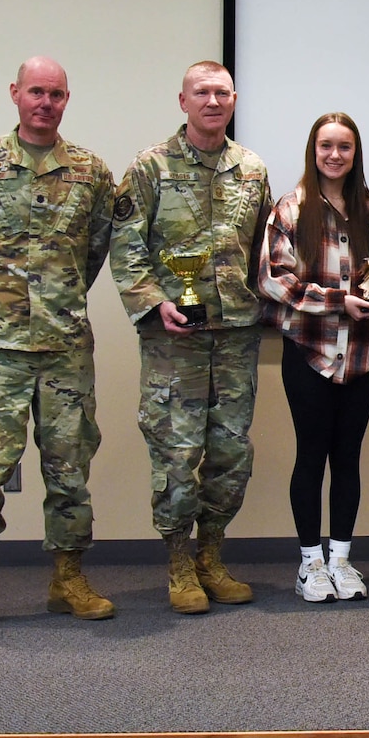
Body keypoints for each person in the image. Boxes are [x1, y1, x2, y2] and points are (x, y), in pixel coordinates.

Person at [0, 56, 117, 635]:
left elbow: (91, 255)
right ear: (15, 93)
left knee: (70, 468)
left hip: (64, 344)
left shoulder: (92, 172)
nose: (46, 102)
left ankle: (68, 579)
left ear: (68, 99)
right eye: (36, 91)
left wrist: (56, 303)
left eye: (57, 94)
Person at [112, 60, 271, 614]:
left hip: (234, 337)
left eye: (222, 93)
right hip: (173, 339)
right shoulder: (149, 168)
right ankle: (179, 561)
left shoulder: (252, 169)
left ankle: (212, 555)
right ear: (183, 101)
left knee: (231, 453)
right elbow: (126, 246)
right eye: (201, 92)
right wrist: (155, 302)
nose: (212, 101)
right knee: (177, 454)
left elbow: (265, 250)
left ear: (234, 100)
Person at [260, 113, 369, 603]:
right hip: (309, 353)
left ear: (356, 154)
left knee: (349, 458)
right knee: (311, 456)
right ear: (312, 151)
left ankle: (341, 559)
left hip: (362, 354)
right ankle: (309, 564)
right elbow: (274, 280)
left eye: (344, 147)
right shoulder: (291, 209)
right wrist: (339, 302)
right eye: (325, 146)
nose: (334, 155)